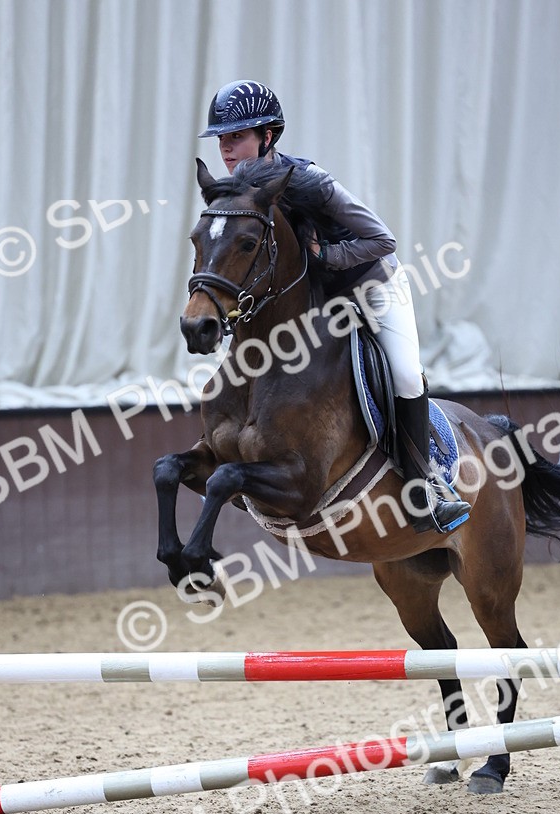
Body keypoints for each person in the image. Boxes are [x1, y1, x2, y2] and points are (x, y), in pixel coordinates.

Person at [198, 80, 470, 534]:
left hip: (369, 284)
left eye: (237, 137)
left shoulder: (311, 182)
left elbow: (382, 239)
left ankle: (427, 485)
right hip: (316, 299)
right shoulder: (235, 195)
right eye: (222, 139)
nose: (226, 148)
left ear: (268, 137)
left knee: (404, 373)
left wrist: (326, 257)